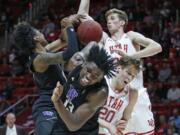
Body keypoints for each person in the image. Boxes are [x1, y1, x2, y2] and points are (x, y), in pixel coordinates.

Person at [77, 0, 162, 134]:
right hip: (114, 99)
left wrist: (132, 56)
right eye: (107, 20)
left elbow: (157, 47)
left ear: (122, 22)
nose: (108, 22)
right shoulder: (104, 38)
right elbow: (81, 15)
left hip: (136, 95)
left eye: (112, 19)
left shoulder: (131, 36)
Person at [13, 15, 83, 135]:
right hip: (47, 106)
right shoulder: (40, 59)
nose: (43, 33)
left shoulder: (45, 50)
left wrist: (64, 25)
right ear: (36, 38)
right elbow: (71, 52)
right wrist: (70, 28)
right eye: (40, 32)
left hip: (61, 102)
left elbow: (63, 41)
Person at [51, 44, 116, 135]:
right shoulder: (77, 69)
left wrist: (57, 101)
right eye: (88, 70)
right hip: (62, 123)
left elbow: (73, 125)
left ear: (100, 79)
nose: (89, 76)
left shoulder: (100, 93)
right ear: (84, 64)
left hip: (82, 131)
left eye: (95, 76)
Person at [98, 56, 141, 135]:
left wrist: (121, 126)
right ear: (119, 68)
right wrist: (108, 126)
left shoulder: (132, 94)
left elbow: (124, 120)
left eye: (133, 76)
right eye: (128, 73)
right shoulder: (101, 82)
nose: (130, 78)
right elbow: (84, 114)